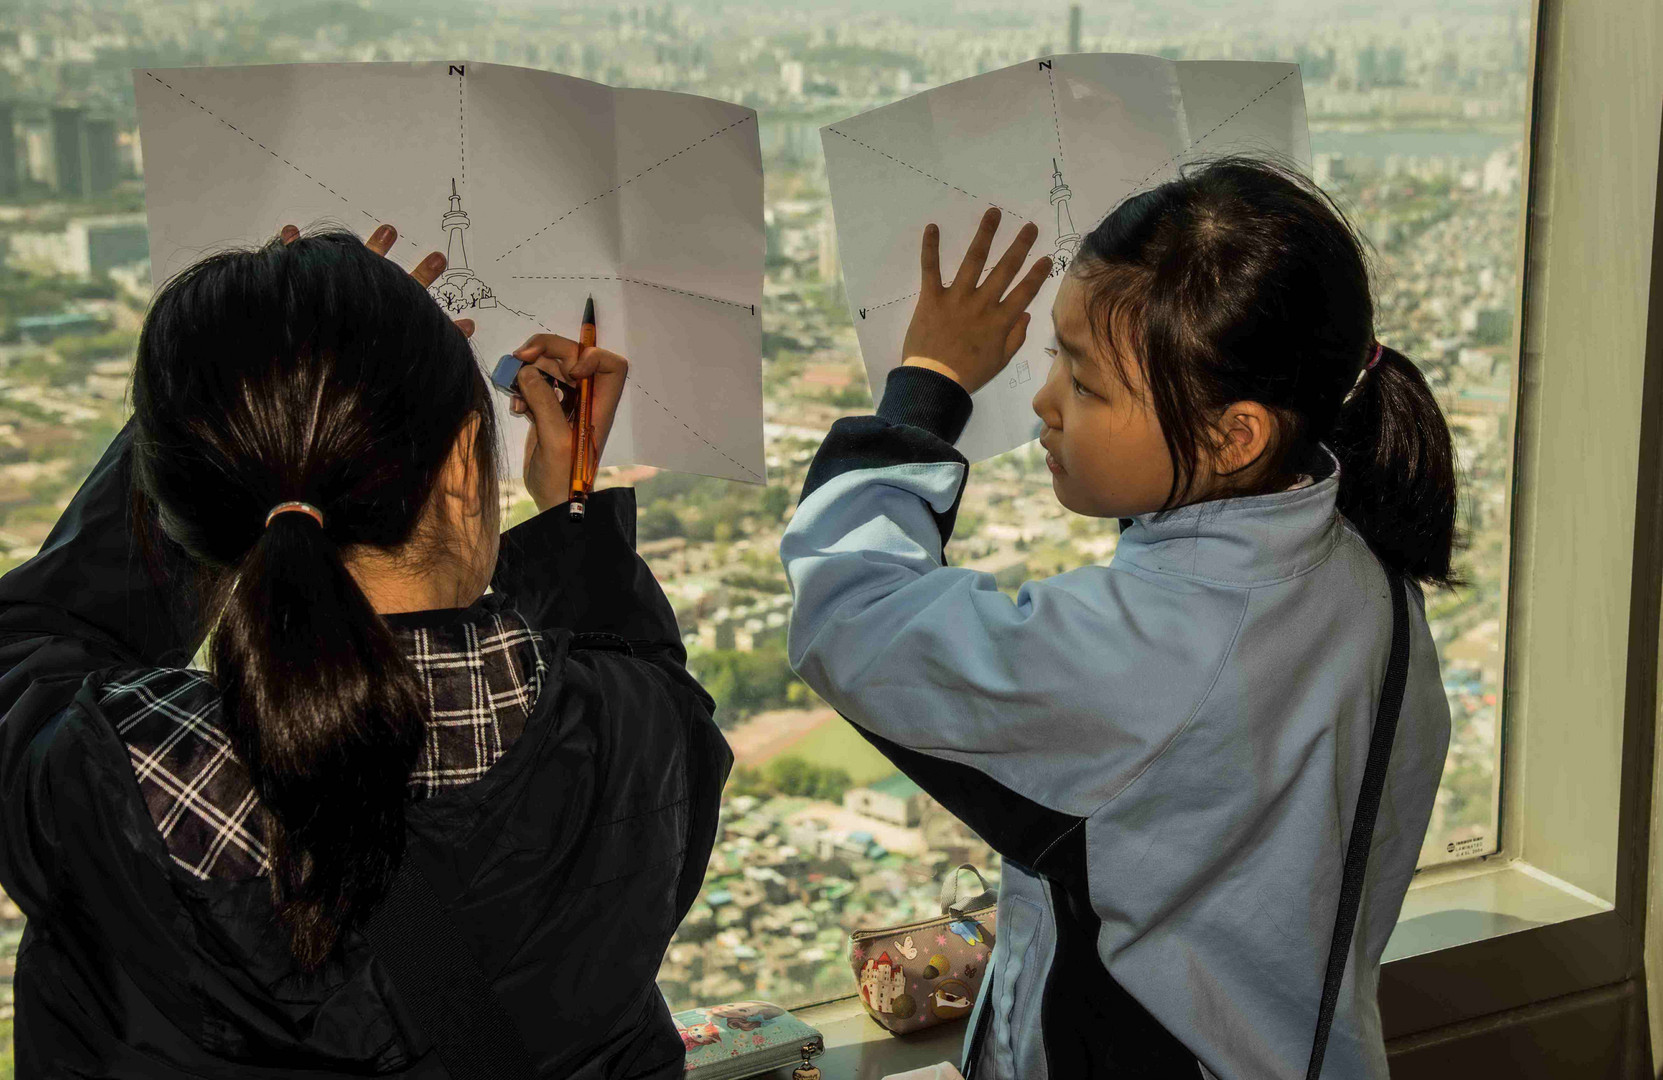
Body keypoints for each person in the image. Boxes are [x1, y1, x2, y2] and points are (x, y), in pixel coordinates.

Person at [780, 155, 1459, 1079]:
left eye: (1088, 382)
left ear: (1234, 434)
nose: (1044, 401)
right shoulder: (1363, 571)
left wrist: (928, 382)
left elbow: (847, 613)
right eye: (1057, 356)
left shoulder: (1149, 656)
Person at [0, 224, 731, 1078]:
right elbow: (632, 653)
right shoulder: (631, 736)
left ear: (193, 488)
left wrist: (238, 397)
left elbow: (28, 641)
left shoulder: (103, 782)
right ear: (466, 464)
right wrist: (572, 503)